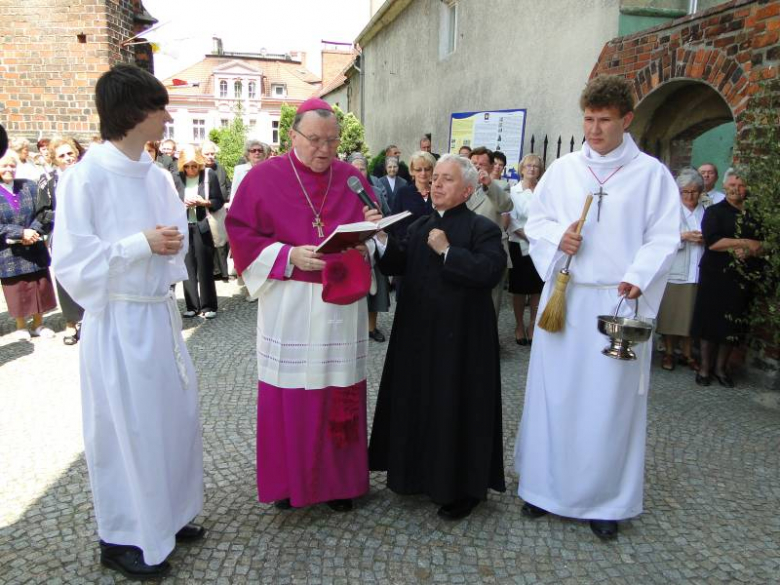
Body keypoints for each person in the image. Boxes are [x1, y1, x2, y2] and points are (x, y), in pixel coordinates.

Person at [51, 64, 204, 580]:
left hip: (157, 316)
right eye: (159, 106)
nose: (167, 115)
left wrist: (166, 247)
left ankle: (171, 514)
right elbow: (71, 262)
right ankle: (120, 536)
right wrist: (140, 244)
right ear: (134, 112)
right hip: (118, 320)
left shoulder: (156, 175)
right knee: (125, 430)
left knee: (170, 419)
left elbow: (172, 239)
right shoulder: (84, 177)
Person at [514, 75, 679, 541]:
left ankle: (606, 501)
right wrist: (557, 238)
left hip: (617, 300)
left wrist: (639, 276)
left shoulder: (651, 175)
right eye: (588, 118)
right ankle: (543, 489)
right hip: (566, 297)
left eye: (604, 120)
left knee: (609, 404)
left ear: (626, 120)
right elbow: (537, 223)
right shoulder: (564, 170)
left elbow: (664, 238)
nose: (593, 129)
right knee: (555, 396)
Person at [225, 97, 375, 513]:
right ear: (292, 136)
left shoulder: (350, 179)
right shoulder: (262, 178)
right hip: (288, 302)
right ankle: (290, 483)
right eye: (314, 140)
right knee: (289, 394)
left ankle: (339, 483)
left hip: (340, 307)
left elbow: (374, 232)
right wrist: (288, 256)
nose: (325, 150)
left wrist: (371, 241)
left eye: (332, 141)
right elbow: (240, 235)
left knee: (338, 390)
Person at [367, 154, 506, 521]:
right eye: (435, 178)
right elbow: (398, 263)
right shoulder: (418, 226)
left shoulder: (482, 229)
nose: (436, 184)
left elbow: (490, 271)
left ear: (467, 190)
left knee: (456, 409)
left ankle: (462, 489)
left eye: (446, 179)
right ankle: (415, 475)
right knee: (419, 404)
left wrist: (448, 252)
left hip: (462, 343)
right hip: (417, 337)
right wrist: (380, 238)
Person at [690, 169, 762, 388]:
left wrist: (751, 249)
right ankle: (704, 368)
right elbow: (712, 241)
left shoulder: (754, 213)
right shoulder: (714, 212)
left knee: (732, 322)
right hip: (715, 274)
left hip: (741, 274)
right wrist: (743, 243)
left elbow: (761, 243)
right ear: (725, 187)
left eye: (740, 186)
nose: (736, 189)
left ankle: (721, 368)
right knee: (709, 320)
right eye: (731, 185)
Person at [0, 153, 57, 340]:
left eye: (11, 165)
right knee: (17, 288)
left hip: (34, 244)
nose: (9, 169)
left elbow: (45, 210)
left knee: (38, 285)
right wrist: (20, 233)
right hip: (9, 249)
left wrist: (33, 230)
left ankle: (39, 324)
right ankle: (21, 326)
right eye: (4, 166)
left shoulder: (29, 186)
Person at [35, 137, 85, 345]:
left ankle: (90, 320)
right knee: (66, 277)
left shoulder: (88, 175)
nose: (67, 158)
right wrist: (65, 214)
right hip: (63, 236)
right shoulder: (49, 181)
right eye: (62, 156)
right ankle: (71, 322)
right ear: (55, 160)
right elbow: (42, 213)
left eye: (70, 153)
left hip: (87, 234)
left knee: (89, 275)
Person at [656, 168, 707, 372]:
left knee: (692, 316)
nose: (689, 196)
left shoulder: (706, 210)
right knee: (672, 315)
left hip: (699, 269)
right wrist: (683, 237)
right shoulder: (671, 210)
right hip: (677, 269)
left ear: (700, 192)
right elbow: (661, 238)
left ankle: (687, 354)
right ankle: (668, 352)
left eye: (694, 191)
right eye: (685, 191)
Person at [174, 147, 223, 319]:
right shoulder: (177, 178)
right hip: (184, 226)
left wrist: (204, 202)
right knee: (187, 267)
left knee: (205, 266)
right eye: (187, 166)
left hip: (203, 225)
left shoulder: (209, 175)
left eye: (194, 166)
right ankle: (192, 305)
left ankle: (208, 305)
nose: (191, 170)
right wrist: (182, 204)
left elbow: (219, 201)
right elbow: (169, 203)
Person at [349, 152, 391, 343]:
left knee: (376, 292)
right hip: (352, 248)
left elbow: (388, 215)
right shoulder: (342, 192)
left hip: (374, 245)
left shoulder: (376, 191)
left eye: (363, 168)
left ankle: (372, 328)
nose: (359, 172)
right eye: (355, 169)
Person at [468, 146, 513, 316]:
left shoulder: (500, 186)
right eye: (473, 163)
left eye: (481, 163)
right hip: (466, 251)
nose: (477, 166)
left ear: (492, 166)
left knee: (491, 303)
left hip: (491, 253)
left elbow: (506, 205)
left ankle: (488, 340)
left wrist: (488, 184)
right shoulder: (461, 186)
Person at [507, 153, 544, 345]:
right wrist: (531, 237)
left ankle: (533, 325)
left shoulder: (545, 191)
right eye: (528, 166)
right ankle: (519, 325)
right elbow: (512, 221)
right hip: (519, 244)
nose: (532, 169)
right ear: (521, 169)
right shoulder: (514, 192)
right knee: (520, 289)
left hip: (540, 247)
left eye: (536, 166)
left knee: (537, 288)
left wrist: (540, 239)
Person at [201, 140, 232, 282]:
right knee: (208, 242)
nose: (210, 156)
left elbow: (227, 185)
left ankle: (223, 272)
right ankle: (213, 271)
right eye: (207, 153)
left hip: (221, 208)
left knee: (221, 242)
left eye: (212, 153)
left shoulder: (220, 168)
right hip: (204, 209)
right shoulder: (199, 169)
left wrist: (228, 200)